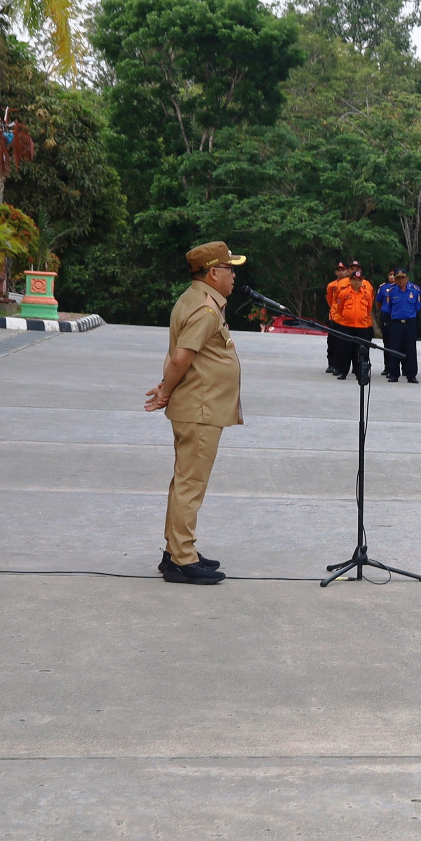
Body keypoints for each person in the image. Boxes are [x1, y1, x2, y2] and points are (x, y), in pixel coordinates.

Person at [144, 241, 245, 585]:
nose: (234, 275)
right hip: (200, 408)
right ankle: (182, 558)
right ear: (214, 273)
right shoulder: (205, 309)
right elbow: (181, 358)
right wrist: (165, 390)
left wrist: (166, 389)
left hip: (198, 405)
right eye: (230, 269)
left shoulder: (196, 300)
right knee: (190, 484)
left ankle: (176, 551)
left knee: (184, 481)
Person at [377, 268, 421, 383]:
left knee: (410, 349)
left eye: (403, 278)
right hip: (396, 323)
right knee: (394, 348)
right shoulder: (390, 291)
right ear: (395, 280)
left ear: (407, 278)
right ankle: (394, 373)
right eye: (398, 278)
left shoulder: (415, 290)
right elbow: (387, 309)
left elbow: (417, 308)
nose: (401, 280)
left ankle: (411, 374)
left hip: (409, 323)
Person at [333, 266, 375, 380]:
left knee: (361, 351)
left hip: (362, 326)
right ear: (350, 280)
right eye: (355, 280)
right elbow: (339, 308)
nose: (357, 282)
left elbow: (369, 308)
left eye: (359, 280)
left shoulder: (366, 293)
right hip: (346, 325)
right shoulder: (344, 292)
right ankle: (343, 371)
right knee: (345, 349)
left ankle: (360, 372)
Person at [325, 259, 349, 375]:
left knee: (342, 342)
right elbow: (330, 300)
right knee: (332, 341)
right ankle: (331, 364)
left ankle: (341, 365)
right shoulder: (332, 285)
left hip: (345, 318)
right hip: (334, 316)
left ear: (347, 272)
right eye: (339, 270)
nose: (341, 272)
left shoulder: (351, 284)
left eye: (343, 270)